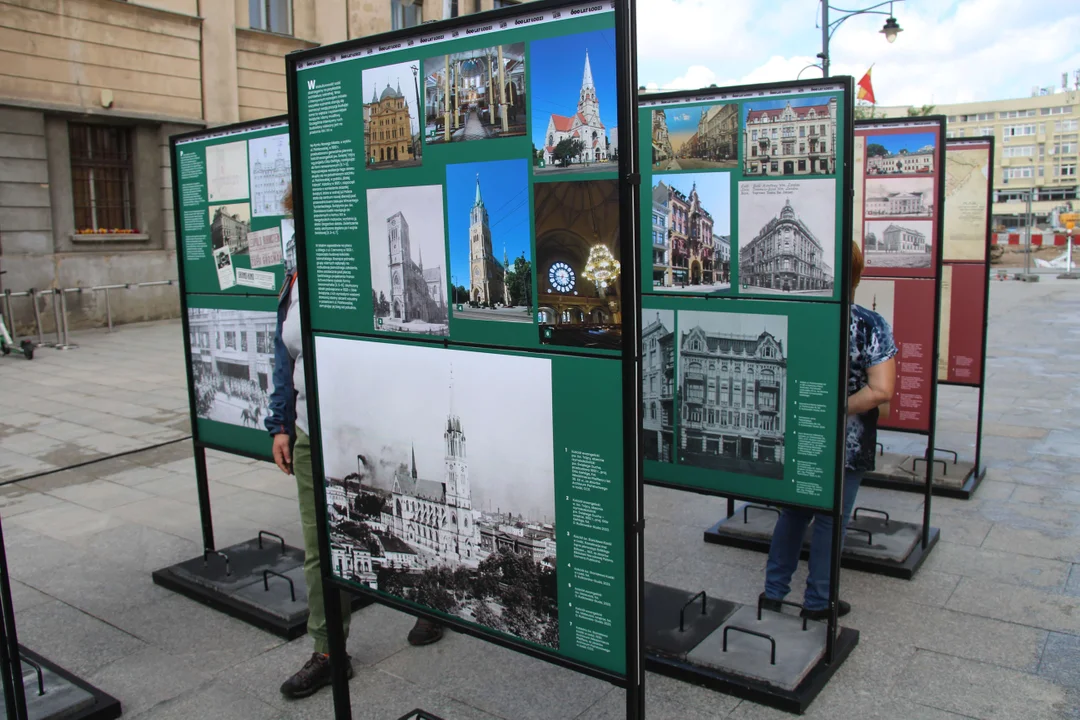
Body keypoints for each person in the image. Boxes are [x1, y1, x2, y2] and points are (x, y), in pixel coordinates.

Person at [267, 184, 444, 700]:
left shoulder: (356, 254)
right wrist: (280, 420)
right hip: (309, 426)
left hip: (371, 422)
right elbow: (286, 348)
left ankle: (428, 607)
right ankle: (328, 651)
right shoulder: (299, 260)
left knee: (400, 519)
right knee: (320, 543)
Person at [760, 243, 896, 620]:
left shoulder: (799, 314)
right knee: (830, 519)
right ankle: (818, 601)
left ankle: (773, 593)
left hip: (801, 433)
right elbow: (882, 390)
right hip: (846, 443)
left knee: (792, 513)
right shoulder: (870, 325)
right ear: (858, 274)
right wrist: (835, 409)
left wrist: (810, 410)